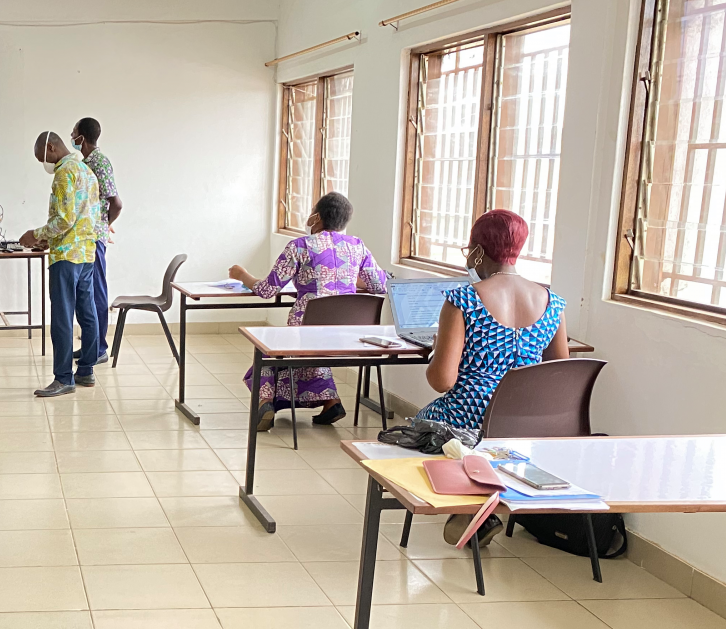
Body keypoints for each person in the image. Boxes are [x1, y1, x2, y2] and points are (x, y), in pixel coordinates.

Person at [416, 209, 568, 547]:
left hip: (468, 418)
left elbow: (442, 381)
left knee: (417, 425)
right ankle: (483, 496)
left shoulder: (464, 300)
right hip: (524, 421)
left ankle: (471, 503)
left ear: (479, 251)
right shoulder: (552, 303)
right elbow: (560, 376)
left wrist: (437, 354)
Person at [228, 192, 386, 430]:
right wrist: (347, 279)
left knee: (271, 351)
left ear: (317, 217)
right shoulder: (357, 247)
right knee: (311, 352)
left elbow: (267, 289)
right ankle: (331, 402)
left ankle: (266, 402)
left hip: (308, 329)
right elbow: (379, 285)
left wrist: (242, 275)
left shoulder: (299, 246)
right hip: (350, 335)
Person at [20, 131, 102, 397]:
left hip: (66, 258)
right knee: (87, 312)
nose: (45, 163)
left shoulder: (64, 172)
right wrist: (49, 241)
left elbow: (64, 220)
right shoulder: (87, 171)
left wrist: (37, 235)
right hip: (86, 254)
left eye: (42, 157)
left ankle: (63, 378)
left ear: (52, 147)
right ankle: (86, 371)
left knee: (62, 318)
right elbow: (84, 218)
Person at [71, 118, 121, 361]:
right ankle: (91, 344)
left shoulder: (98, 162)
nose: (71, 138)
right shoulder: (87, 162)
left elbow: (116, 203)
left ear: (82, 137)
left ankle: (99, 348)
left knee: (97, 291)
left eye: (73, 133)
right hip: (88, 234)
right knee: (86, 292)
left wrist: (104, 224)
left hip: (95, 236)